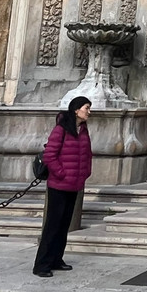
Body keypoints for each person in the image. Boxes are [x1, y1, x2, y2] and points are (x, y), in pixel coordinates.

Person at [33, 95, 92, 278]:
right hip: (59, 184)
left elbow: (87, 154)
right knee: (53, 224)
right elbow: (50, 155)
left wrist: (84, 174)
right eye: (86, 108)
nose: (89, 112)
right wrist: (62, 174)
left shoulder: (83, 130)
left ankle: (57, 258)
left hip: (74, 184)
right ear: (76, 110)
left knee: (64, 224)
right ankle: (42, 264)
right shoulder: (61, 130)